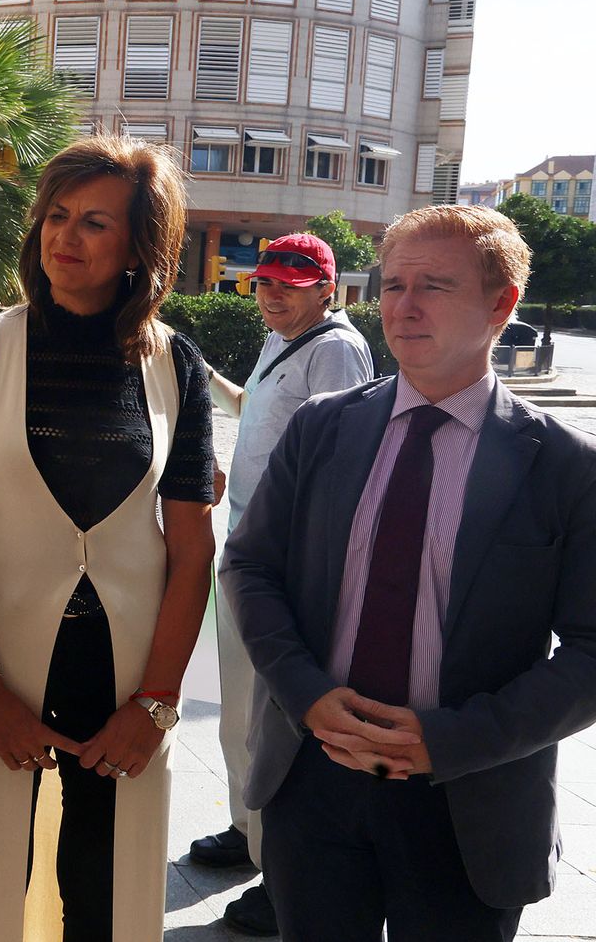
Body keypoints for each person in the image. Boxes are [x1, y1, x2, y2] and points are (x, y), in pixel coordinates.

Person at [223, 205, 596, 941]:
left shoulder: (566, 467)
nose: (404, 305)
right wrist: (306, 692)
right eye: (392, 284)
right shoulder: (322, 428)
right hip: (315, 779)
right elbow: (250, 566)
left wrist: (452, 738)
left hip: (472, 798)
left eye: (434, 284)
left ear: (502, 303)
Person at [0, 135, 216, 939]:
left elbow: (191, 548)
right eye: (55, 214)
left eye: (94, 224)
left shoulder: (175, 364)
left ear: (139, 248)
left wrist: (157, 702)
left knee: (104, 891)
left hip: (126, 675)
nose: (63, 236)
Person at [191, 232, 374, 936]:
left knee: (271, 721)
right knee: (237, 707)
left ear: (326, 289)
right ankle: (246, 831)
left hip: (285, 565)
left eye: (290, 285)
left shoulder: (334, 348)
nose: (271, 293)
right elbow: (258, 414)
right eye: (265, 281)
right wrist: (206, 377)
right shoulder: (283, 340)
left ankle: (280, 873)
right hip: (247, 550)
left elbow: (335, 453)